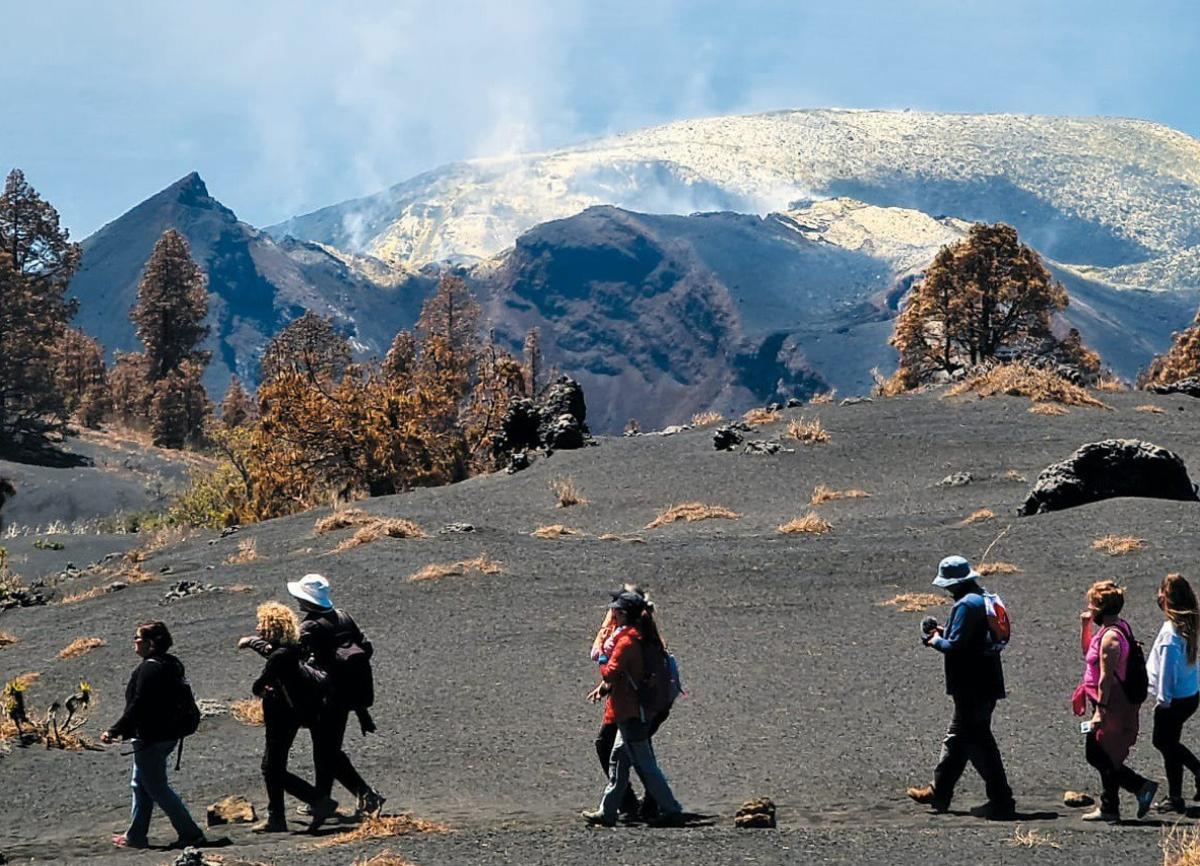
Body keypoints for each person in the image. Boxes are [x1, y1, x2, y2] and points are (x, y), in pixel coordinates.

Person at [906, 555, 1016, 819]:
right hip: (987, 682)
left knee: (977, 742)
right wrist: (945, 631)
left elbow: (954, 647)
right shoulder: (983, 599)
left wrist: (934, 640)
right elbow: (971, 636)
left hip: (971, 686)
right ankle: (939, 791)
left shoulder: (966, 605)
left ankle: (1001, 800)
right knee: (959, 738)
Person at [287, 573, 386, 819]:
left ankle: (365, 794)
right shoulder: (343, 617)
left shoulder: (310, 626)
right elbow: (364, 647)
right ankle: (321, 800)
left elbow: (294, 657)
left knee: (327, 751)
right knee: (327, 749)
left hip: (325, 698)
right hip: (347, 694)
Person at [581, 591, 684, 828]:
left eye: (615, 610)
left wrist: (604, 657)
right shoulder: (640, 637)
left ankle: (671, 808)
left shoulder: (626, 641)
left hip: (631, 712)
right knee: (618, 759)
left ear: (623, 614)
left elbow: (610, 672)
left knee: (644, 764)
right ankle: (607, 812)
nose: (612, 613)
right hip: (631, 711)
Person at [101, 621, 206, 850]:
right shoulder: (171, 663)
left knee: (156, 787)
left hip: (151, 737)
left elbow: (138, 704)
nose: (134, 642)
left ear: (149, 643)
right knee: (141, 784)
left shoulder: (149, 668)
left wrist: (115, 729)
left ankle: (191, 833)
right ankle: (136, 835)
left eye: (137, 638)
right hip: (168, 734)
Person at [237, 601, 338, 832]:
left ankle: (317, 802)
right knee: (274, 765)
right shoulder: (294, 647)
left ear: (271, 627)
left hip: (280, 715)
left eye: (261, 624)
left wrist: (262, 688)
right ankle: (277, 816)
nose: (258, 627)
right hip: (295, 713)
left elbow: (257, 685)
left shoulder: (279, 656)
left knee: (271, 767)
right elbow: (269, 651)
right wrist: (253, 642)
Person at [1074, 579, 1158, 822]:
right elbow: (1089, 654)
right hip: (1103, 700)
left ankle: (1140, 787)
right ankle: (1110, 806)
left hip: (1110, 702)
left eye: (1092, 606)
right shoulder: (1112, 628)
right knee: (1106, 753)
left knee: (1097, 753)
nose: (1089, 609)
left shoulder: (1111, 638)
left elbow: (1106, 677)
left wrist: (1100, 711)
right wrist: (1085, 626)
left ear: (1101, 608)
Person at [1147, 573, 1200, 813]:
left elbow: (1167, 671)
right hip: (1189, 694)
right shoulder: (1189, 624)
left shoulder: (1170, 633)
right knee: (1170, 744)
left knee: (1163, 742)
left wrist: (1162, 700)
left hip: (1174, 699)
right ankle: (1176, 794)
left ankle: (1187, 783)